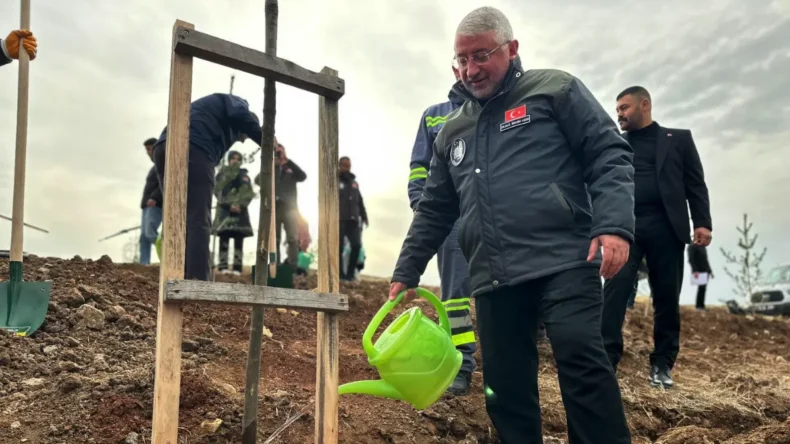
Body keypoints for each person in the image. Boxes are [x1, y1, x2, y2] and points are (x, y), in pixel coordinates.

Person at [389, 7, 634, 443]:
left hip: (564, 259)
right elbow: (435, 208)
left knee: (582, 362)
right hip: (494, 275)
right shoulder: (452, 130)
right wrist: (408, 269)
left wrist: (613, 225)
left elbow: (608, 153)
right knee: (504, 387)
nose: (470, 69)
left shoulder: (554, 89)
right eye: (462, 59)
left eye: (481, 55)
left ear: (512, 48)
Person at [601, 85, 713, 390]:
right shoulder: (616, 144)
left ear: (644, 105)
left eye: (624, 108)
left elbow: (695, 184)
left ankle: (662, 363)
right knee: (614, 291)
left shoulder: (679, 139)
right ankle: (606, 359)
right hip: (627, 229)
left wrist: (702, 222)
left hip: (667, 228)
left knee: (666, 297)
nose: (619, 114)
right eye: (617, 109)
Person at [408, 71, 478, 395]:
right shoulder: (434, 115)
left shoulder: (498, 108)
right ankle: (460, 362)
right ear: (456, 68)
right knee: (455, 296)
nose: (470, 69)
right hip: (451, 219)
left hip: (494, 216)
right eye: (462, 60)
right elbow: (419, 166)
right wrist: (421, 207)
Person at [152, 93, 262, 281]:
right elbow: (239, 114)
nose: (242, 140)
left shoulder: (212, 113)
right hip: (194, 147)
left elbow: (247, 192)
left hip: (163, 146)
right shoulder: (238, 104)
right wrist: (266, 139)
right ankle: (198, 281)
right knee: (197, 217)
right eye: (244, 136)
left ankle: (175, 276)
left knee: (175, 216)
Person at [212, 150, 255, 275]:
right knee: (224, 239)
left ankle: (237, 268)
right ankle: (223, 266)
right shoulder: (221, 174)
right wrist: (229, 204)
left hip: (240, 213)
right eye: (233, 158)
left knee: (238, 240)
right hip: (224, 212)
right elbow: (217, 191)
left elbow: (248, 193)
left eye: (238, 159)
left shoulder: (245, 176)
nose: (235, 161)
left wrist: (240, 205)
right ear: (229, 160)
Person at [338, 156, 368, 282]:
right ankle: (339, 274)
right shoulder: (335, 180)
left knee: (356, 245)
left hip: (353, 220)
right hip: (339, 219)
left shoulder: (354, 183)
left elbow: (360, 201)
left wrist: (364, 216)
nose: (347, 168)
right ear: (339, 165)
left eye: (348, 165)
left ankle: (349, 275)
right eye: (344, 165)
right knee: (338, 247)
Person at [139, 138, 163, 265]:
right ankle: (144, 264)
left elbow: (165, 181)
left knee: (150, 233)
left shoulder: (162, 164)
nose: (148, 152)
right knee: (144, 237)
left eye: (149, 148)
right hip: (146, 206)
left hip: (155, 205)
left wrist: (155, 197)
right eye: (146, 150)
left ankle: (168, 254)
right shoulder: (155, 167)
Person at [687, 242, 713, 310]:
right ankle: (699, 306)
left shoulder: (702, 247)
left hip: (705, 270)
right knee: (701, 288)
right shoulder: (692, 246)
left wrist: (710, 271)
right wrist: (695, 270)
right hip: (699, 271)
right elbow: (691, 259)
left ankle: (701, 305)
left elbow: (706, 260)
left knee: (703, 289)